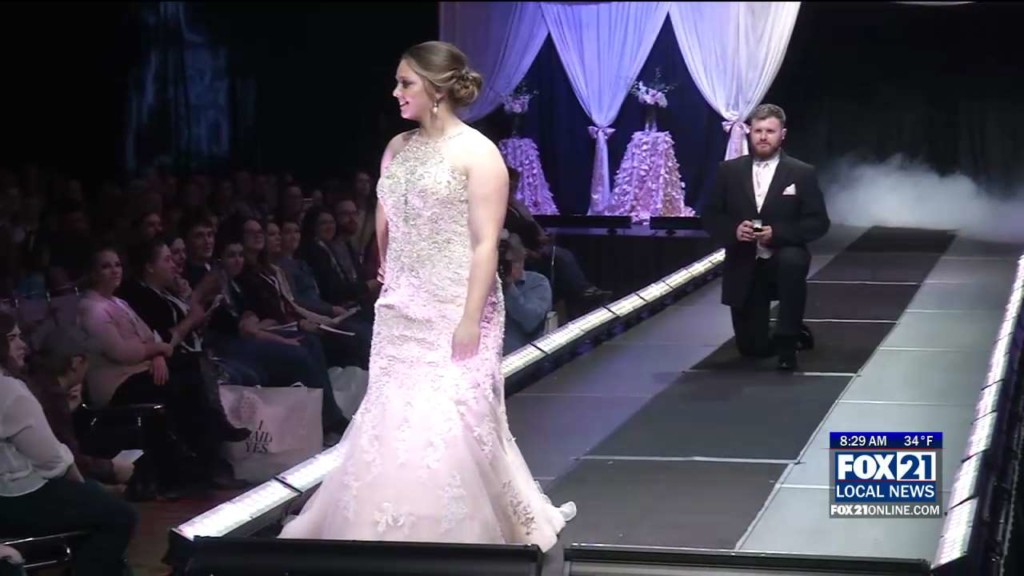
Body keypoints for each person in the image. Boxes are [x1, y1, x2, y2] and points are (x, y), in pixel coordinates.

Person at [278, 40, 575, 551]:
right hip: (402, 306)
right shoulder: (397, 148)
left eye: (406, 83)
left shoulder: (478, 153)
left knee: (456, 418)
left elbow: (485, 243)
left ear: (436, 90)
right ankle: (386, 522)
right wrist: (388, 268)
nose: (396, 92)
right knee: (393, 415)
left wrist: (469, 316)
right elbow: (385, 211)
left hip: (458, 304)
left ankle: (462, 528)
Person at [700, 103, 830, 371]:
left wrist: (778, 234)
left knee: (793, 261)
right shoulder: (729, 171)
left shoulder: (801, 173)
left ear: (782, 134)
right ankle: (789, 335)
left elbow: (818, 222)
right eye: (758, 130)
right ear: (750, 132)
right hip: (744, 260)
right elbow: (710, 215)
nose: (763, 137)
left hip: (783, 255)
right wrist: (734, 230)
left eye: (770, 131)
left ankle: (787, 340)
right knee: (752, 350)